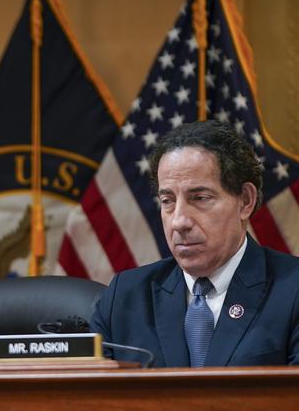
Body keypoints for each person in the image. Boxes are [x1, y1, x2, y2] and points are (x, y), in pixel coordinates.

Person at [91, 120, 299, 367]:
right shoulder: (125, 296)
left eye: (200, 198)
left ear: (245, 201)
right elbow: (86, 400)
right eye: (167, 200)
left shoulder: (292, 290)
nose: (179, 221)